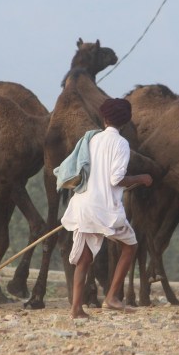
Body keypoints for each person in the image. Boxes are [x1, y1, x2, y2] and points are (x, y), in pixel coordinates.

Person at [60, 98, 153, 319]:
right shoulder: (121, 144)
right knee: (130, 246)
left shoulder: (91, 140)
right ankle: (112, 297)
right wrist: (141, 178)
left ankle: (76, 309)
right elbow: (116, 178)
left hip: (82, 204)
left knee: (83, 258)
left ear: (104, 118)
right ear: (126, 121)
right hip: (104, 210)